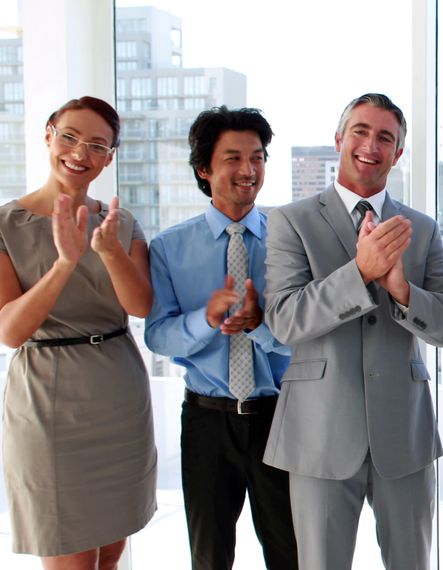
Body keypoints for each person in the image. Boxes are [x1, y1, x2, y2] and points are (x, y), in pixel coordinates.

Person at [262, 93, 443, 570]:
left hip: (404, 433)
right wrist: (361, 271)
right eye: (360, 131)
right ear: (339, 139)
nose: (371, 145)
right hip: (319, 434)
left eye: (385, 138)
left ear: (398, 154)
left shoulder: (422, 228)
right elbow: (286, 319)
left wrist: (400, 289)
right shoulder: (290, 221)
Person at [0, 96, 156, 568]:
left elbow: (140, 305)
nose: (79, 152)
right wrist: (65, 262)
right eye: (69, 136)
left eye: (96, 145)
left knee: (110, 552)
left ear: (109, 157)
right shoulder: (7, 224)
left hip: (118, 397)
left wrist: (107, 251)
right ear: (48, 133)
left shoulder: (120, 223)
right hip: (48, 403)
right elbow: (10, 330)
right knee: (70, 555)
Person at [144, 106, 298, 569]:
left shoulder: (290, 239)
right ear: (204, 168)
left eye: (258, 157)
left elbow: (314, 335)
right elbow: (159, 336)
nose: (248, 170)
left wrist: (260, 325)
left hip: (282, 416)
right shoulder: (169, 247)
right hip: (208, 421)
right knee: (209, 556)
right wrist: (205, 320)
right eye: (233, 157)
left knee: (292, 551)